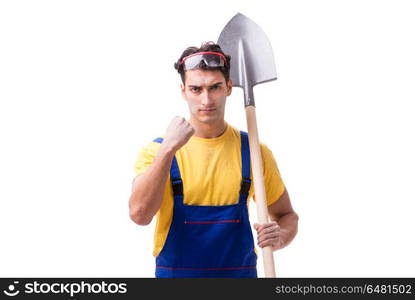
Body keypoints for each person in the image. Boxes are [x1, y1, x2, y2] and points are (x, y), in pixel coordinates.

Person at [129, 42, 299, 278]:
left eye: (215, 87)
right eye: (196, 89)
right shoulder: (157, 152)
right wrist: (168, 150)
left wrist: (280, 236)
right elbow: (139, 215)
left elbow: (287, 216)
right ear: (183, 91)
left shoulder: (253, 152)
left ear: (229, 87)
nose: (206, 100)